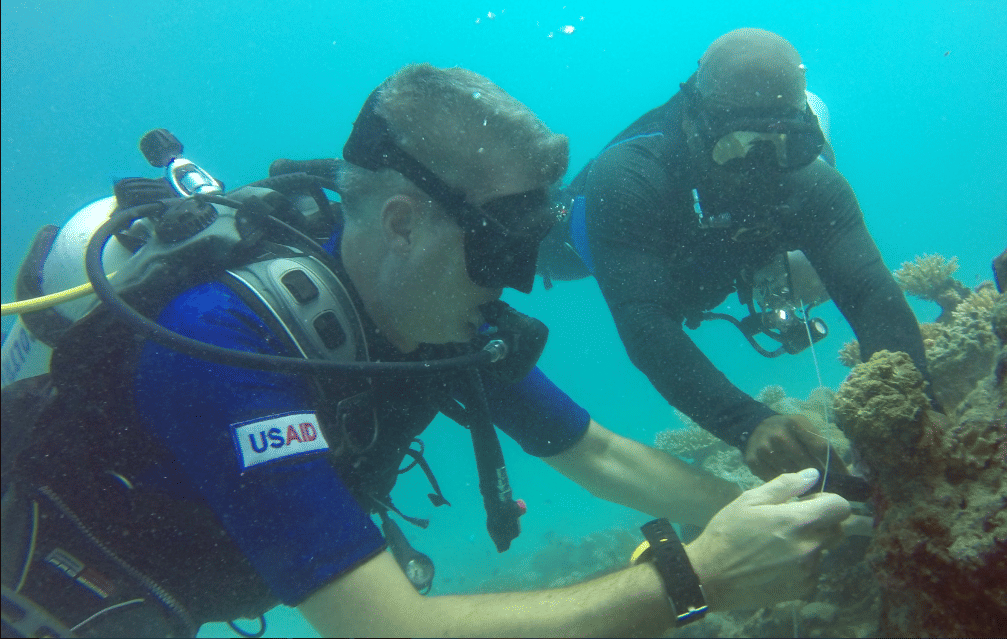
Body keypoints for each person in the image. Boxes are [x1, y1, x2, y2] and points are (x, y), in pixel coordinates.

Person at [0, 63, 855, 638]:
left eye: (531, 240)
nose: (516, 279)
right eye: (498, 244)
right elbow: (388, 626)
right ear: (403, 223)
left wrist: (788, 514)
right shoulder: (224, 343)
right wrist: (701, 573)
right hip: (64, 581)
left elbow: (597, 454)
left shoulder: (439, 308)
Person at [538, 28, 935, 482]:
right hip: (608, 241)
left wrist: (913, 404)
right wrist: (747, 424)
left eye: (786, 144)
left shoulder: (810, 178)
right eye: (738, 144)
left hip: (729, 254)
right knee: (536, 243)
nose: (761, 170)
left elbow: (868, 288)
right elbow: (645, 322)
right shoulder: (629, 176)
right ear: (697, 124)